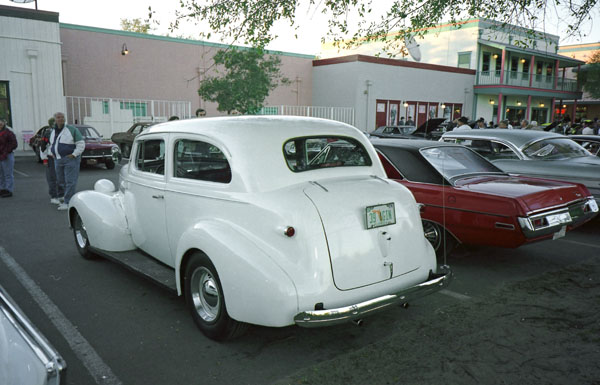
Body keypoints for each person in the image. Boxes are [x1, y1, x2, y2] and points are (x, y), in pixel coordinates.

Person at [48, 112, 85, 210]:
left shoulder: (72, 130)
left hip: (70, 159)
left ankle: (68, 202)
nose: (61, 119)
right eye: (58, 117)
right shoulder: (53, 131)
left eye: (62, 117)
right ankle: (67, 197)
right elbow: (52, 144)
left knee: (70, 181)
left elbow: (81, 143)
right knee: (61, 181)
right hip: (58, 159)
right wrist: (52, 153)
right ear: (55, 119)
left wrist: (74, 154)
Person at [39, 117, 65, 204]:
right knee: (52, 178)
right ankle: (54, 196)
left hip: (61, 158)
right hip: (51, 158)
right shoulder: (48, 133)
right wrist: (45, 159)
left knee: (61, 177)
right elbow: (43, 147)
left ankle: (61, 194)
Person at [0, 119, 18, 198]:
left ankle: (8, 190)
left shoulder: (9, 133)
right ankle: (2, 189)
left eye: (1, 122)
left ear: (4, 123)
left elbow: (14, 144)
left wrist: (6, 151)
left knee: (8, 174)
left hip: (7, 155)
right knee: (1, 174)